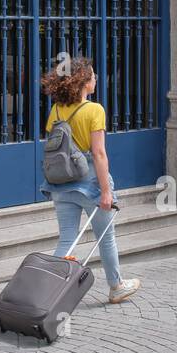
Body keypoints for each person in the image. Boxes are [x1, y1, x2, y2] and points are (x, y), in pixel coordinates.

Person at [40, 56, 141, 303]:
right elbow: (98, 153)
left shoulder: (55, 110)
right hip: (90, 183)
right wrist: (106, 191)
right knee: (106, 238)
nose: (96, 78)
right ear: (84, 82)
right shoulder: (95, 110)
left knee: (66, 238)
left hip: (61, 183)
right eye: (93, 75)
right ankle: (116, 287)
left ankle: (45, 292)